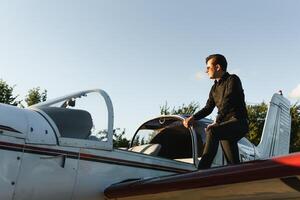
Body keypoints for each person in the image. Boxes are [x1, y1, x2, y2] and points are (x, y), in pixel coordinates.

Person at [183, 54, 248, 169]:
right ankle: (238, 177)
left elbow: (228, 102)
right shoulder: (214, 88)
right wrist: (193, 118)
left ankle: (202, 171)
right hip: (225, 126)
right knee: (233, 165)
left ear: (217, 67)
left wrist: (217, 121)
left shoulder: (233, 79)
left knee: (212, 131)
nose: (206, 71)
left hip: (239, 123)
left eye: (208, 68)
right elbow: (208, 108)